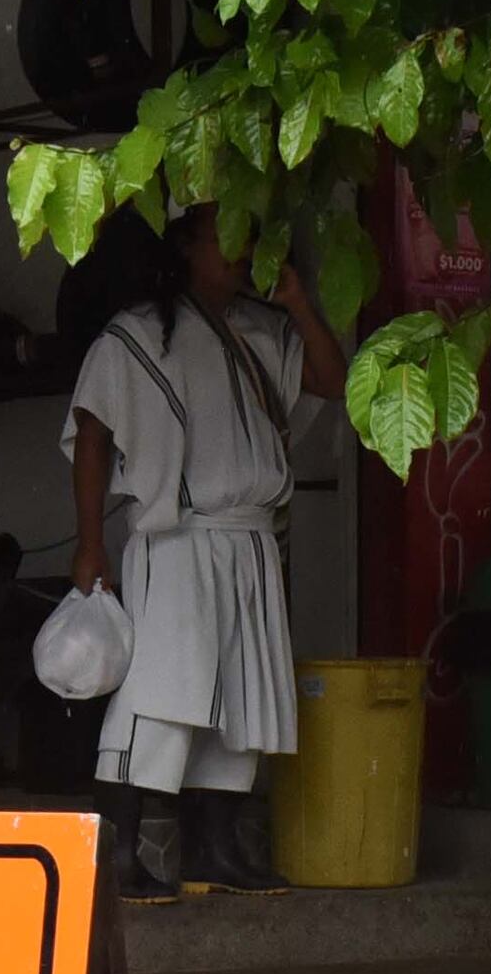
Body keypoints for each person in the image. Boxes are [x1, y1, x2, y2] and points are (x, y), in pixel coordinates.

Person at [67, 208, 349, 903]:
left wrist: (296, 302)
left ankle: (215, 851)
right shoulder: (134, 335)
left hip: (250, 538)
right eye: (224, 235)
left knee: (242, 699)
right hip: (176, 537)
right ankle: (120, 854)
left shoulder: (262, 328)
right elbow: (93, 436)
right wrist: (90, 543)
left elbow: (332, 381)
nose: (242, 249)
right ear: (185, 247)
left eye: (248, 233)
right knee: (157, 699)